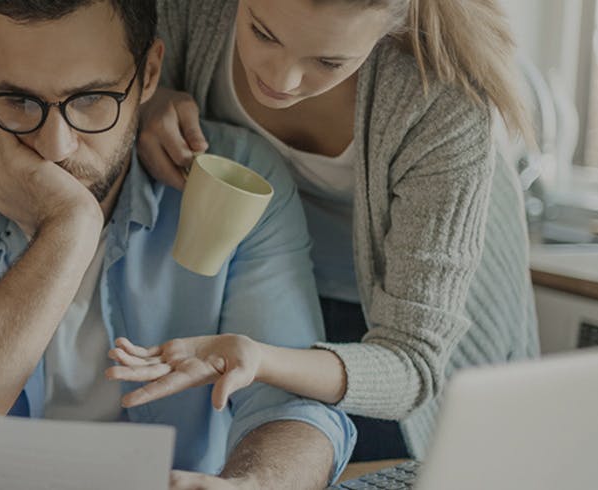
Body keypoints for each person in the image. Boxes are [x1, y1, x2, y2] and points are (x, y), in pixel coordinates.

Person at [0, 1, 356, 488]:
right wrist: (69, 232)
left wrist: (254, 486)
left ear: (150, 74)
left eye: (91, 100)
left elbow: (292, 407)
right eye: (16, 100)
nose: (55, 146)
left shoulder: (236, 187)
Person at [107, 0, 539, 462]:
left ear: (392, 26)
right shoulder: (194, 9)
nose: (281, 79)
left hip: (397, 318)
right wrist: (147, 98)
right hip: (270, 271)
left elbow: (411, 363)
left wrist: (262, 358)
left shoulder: (442, 102)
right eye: (263, 33)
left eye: (329, 62)